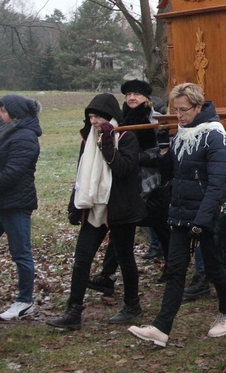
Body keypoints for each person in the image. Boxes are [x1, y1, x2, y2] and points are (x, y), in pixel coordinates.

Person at [128, 83, 226, 346]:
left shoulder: (214, 135)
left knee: (214, 269)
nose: (178, 114)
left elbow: (217, 184)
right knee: (175, 270)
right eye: (175, 109)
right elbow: (171, 173)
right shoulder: (182, 132)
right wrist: (164, 146)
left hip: (205, 216)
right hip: (180, 212)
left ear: (198, 107)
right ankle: (161, 328)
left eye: (183, 110)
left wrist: (203, 220)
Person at [47, 94, 145, 330]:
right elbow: (82, 173)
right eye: (90, 116)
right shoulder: (88, 139)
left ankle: (132, 305)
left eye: (98, 116)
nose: (93, 121)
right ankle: (73, 312)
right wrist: (74, 204)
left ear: (110, 116)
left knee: (125, 258)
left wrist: (109, 142)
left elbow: (122, 169)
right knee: (82, 259)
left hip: (120, 209)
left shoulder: (128, 137)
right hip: (94, 208)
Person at [88, 79, 170, 296]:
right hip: (127, 183)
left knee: (161, 227)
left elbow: (162, 152)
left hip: (152, 184)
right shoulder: (121, 120)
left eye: (137, 94)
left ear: (146, 97)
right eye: (128, 94)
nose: (132, 98)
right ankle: (108, 275)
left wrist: (134, 157)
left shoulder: (156, 120)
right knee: (121, 228)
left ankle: (174, 268)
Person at [0, 95, 41, 321]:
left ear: (15, 115)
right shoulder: (5, 133)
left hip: (16, 205)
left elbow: (12, 173)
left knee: (21, 253)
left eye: (2, 111)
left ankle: (25, 301)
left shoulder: (25, 137)